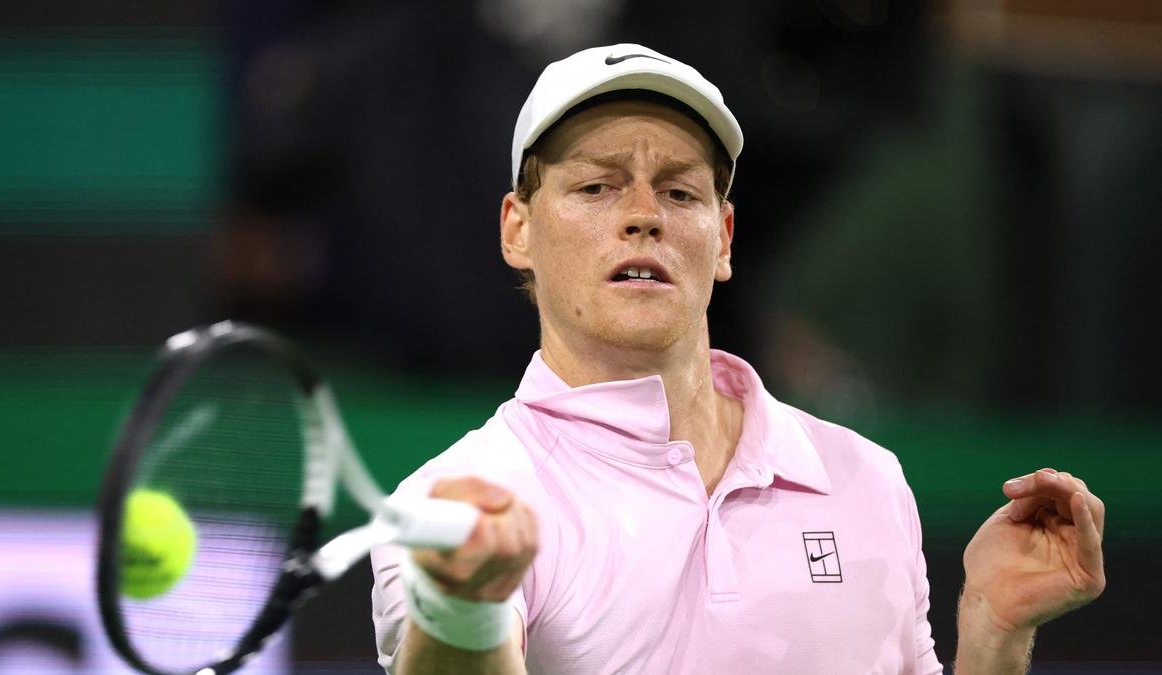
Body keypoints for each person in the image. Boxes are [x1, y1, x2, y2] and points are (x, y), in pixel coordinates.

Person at [370, 44, 1105, 674]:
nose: (643, 215)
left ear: (722, 238)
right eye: (596, 186)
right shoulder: (454, 505)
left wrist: (993, 637)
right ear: (518, 229)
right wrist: (460, 607)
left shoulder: (867, 477)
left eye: (679, 191)